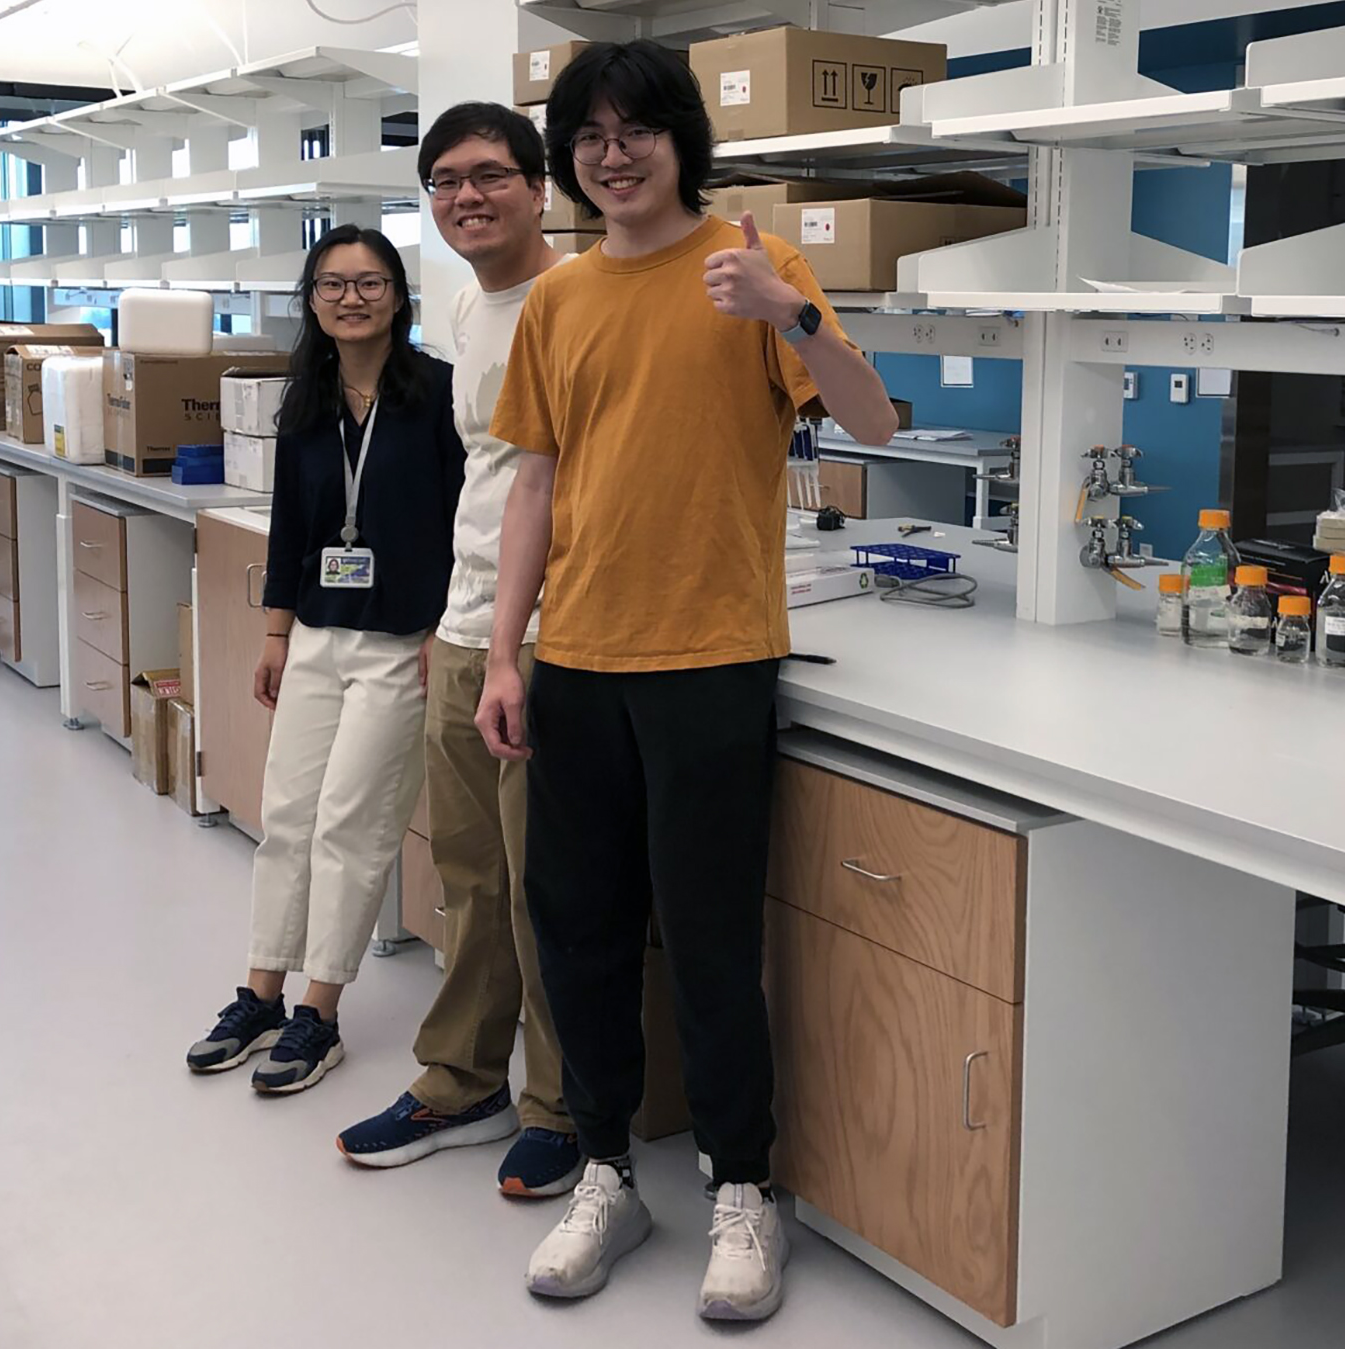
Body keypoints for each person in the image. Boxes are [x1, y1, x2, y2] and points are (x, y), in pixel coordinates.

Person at [479, 40, 898, 1323]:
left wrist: (793, 316)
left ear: (679, 140)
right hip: (577, 662)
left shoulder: (755, 269)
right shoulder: (556, 299)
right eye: (588, 135)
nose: (613, 153)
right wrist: (505, 651)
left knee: (713, 942)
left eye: (636, 128)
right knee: (583, 936)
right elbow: (534, 487)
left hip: (710, 658)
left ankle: (742, 1185)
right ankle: (607, 1167)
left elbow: (875, 422)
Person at [334, 104, 585, 1193]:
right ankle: (464, 1075)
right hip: (466, 626)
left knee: (549, 884)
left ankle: (565, 1103)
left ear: (541, 186)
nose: (465, 197)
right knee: (472, 874)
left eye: (489, 175)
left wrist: (521, 640)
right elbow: (488, 478)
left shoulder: (580, 299)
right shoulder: (465, 308)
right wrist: (454, 618)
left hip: (550, 634)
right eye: (444, 181)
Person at [185, 224, 465, 1094]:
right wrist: (275, 634)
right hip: (314, 634)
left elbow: (468, 524)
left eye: (370, 282)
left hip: (399, 640)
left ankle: (320, 1012)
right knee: (288, 814)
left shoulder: (439, 398)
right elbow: (294, 527)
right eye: (334, 283)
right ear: (311, 298)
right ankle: (261, 991)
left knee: (353, 822)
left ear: (397, 295)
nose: (352, 297)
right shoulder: (302, 406)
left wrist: (443, 630)